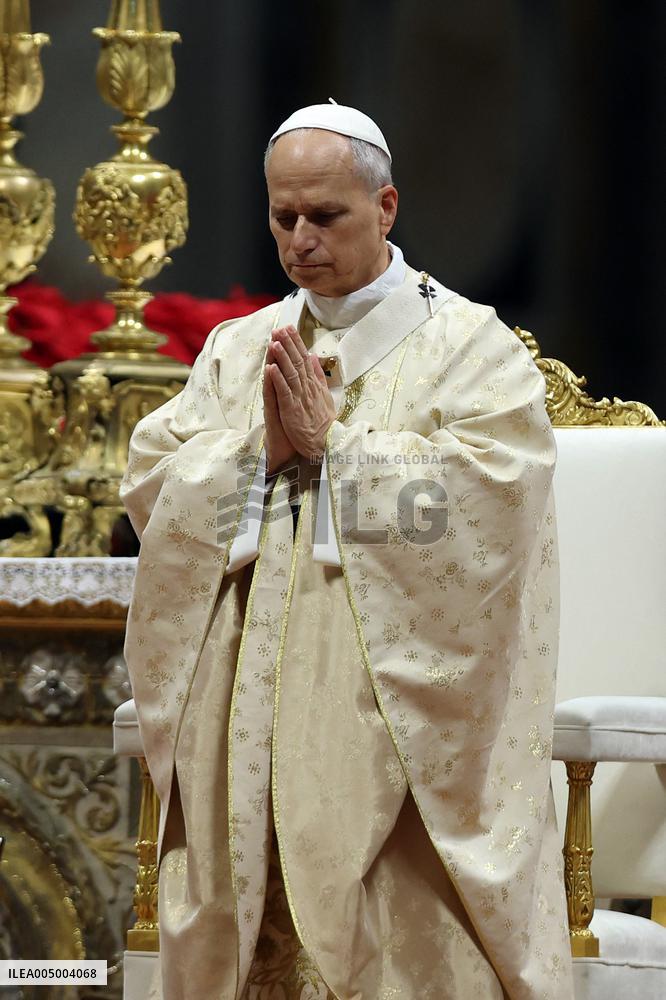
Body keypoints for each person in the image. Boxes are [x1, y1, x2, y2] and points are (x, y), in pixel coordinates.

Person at [121, 102, 573, 1000]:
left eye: (324, 215)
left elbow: (497, 506)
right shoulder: (239, 349)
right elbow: (153, 483)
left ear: (386, 206)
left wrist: (342, 451)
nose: (300, 240)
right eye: (282, 216)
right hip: (244, 704)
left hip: (392, 708)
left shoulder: (469, 347)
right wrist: (258, 455)